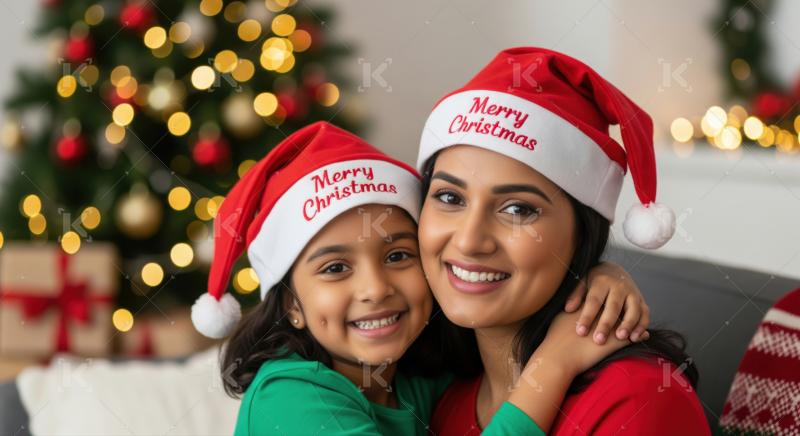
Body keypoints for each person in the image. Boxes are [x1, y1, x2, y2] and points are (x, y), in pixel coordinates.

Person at [190, 122, 652, 435]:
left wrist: (593, 274)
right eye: (335, 268)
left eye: (397, 255)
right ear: (291, 303)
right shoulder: (291, 401)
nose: (375, 289)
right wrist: (553, 365)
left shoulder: (418, 376)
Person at [417, 47, 710, 434]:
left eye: (518, 209)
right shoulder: (434, 393)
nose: (470, 241)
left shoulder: (640, 400)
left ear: (582, 236)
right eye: (450, 198)